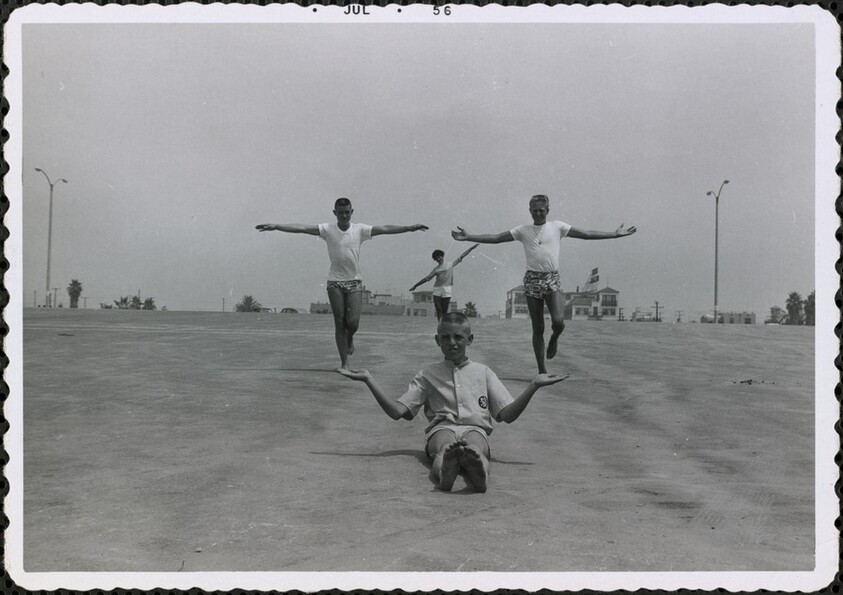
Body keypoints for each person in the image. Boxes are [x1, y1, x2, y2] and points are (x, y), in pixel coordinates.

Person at [339, 312, 568, 493]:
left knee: (476, 447)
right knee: (443, 447)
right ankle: (445, 474)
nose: (452, 342)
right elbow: (399, 411)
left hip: (475, 427)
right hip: (441, 427)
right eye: (446, 337)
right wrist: (369, 380)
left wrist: (534, 386)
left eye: (458, 337)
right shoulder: (428, 374)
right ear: (437, 340)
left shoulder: (483, 372)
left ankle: (480, 476)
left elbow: (506, 414)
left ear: (469, 339)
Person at [451, 194, 636, 374]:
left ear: (548, 210)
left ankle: (554, 338)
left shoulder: (557, 227)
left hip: (551, 278)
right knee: (538, 327)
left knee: (558, 322)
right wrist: (469, 237)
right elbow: (497, 237)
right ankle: (542, 370)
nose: (538, 214)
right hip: (532, 280)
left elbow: (586, 234)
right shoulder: (523, 230)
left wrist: (614, 234)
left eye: (541, 210)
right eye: (534, 211)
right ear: (530, 211)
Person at [257, 197, 428, 372]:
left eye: (347, 213)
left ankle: (350, 337)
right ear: (335, 213)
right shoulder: (327, 229)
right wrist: (276, 226)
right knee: (339, 322)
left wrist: (409, 228)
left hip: (354, 282)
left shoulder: (360, 230)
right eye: (340, 213)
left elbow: (383, 229)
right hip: (335, 282)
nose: (344, 216)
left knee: (352, 323)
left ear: (352, 212)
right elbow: (301, 228)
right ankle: (344, 363)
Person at [408, 244, 479, 320]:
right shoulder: (435, 269)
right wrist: (415, 285)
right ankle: (440, 325)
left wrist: (471, 248)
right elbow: (426, 278)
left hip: (447, 289)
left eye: (439, 256)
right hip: (437, 289)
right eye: (436, 258)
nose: (439, 258)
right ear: (435, 259)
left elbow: (462, 256)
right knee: (439, 309)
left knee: (444, 310)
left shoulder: (450, 264)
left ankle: (444, 326)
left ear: (442, 256)